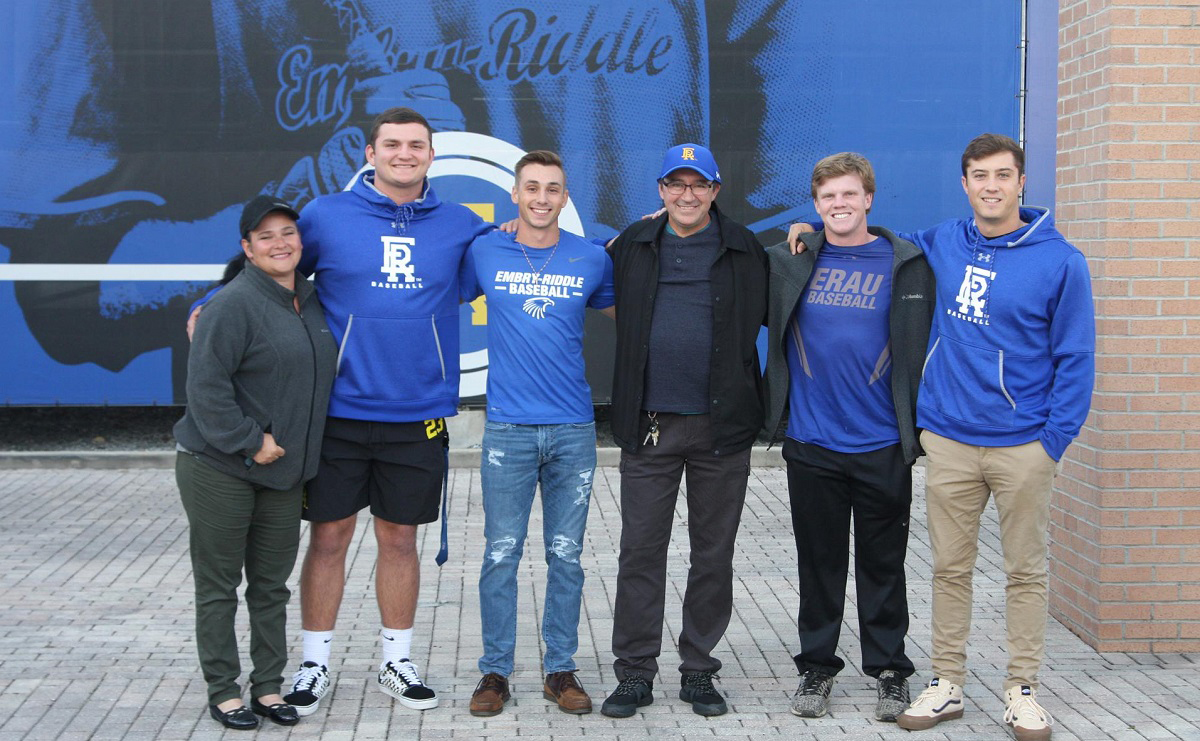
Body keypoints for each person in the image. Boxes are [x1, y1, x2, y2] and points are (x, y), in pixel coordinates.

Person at [789, 134, 1095, 741]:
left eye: (1002, 175)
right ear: (964, 184)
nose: (990, 185)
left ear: (1021, 183)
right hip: (950, 441)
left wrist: (1052, 441)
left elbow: (1076, 356)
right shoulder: (939, 244)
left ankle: (1022, 691)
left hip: (1023, 444)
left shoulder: (1061, 260)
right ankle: (947, 682)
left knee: (1024, 572)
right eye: (979, 175)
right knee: (949, 570)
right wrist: (811, 226)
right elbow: (865, 233)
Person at [277, 106, 492, 714]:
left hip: (417, 413)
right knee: (329, 538)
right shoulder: (326, 215)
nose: (404, 154)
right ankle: (313, 665)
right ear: (370, 153)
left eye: (416, 145)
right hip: (339, 413)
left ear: (431, 154)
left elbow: (523, 255)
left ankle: (396, 660)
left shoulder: (459, 225)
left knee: (399, 541)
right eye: (392, 144)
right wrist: (215, 299)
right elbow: (275, 267)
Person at [763, 153, 933, 722]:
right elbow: (720, 253)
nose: (839, 204)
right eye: (828, 196)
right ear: (815, 205)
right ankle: (816, 669)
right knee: (820, 564)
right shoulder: (790, 261)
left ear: (868, 199)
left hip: (883, 443)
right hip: (812, 444)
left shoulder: (906, 261)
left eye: (849, 194)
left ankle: (889, 671)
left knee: (884, 565)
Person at [600, 143, 768, 719]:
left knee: (712, 554)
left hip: (723, 430)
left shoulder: (745, 249)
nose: (688, 194)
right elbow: (573, 261)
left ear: (716, 191)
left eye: (699, 185)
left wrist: (807, 232)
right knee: (640, 553)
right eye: (677, 184)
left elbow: (794, 286)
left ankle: (698, 669)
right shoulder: (631, 246)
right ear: (661, 190)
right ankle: (634, 673)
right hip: (650, 425)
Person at [457, 150, 616, 717]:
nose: (542, 198)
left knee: (566, 556)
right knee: (501, 555)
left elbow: (638, 309)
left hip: (573, 430)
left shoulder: (591, 258)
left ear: (565, 197)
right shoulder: (485, 248)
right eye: (532, 188)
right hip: (508, 431)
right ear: (515, 195)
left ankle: (560, 670)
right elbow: (423, 287)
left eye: (553, 189)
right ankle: (495, 672)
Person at [174, 195, 337, 730]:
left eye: (287, 232)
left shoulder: (309, 302)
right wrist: (251, 441)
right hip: (222, 467)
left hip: (284, 473)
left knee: (271, 586)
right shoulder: (231, 305)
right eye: (265, 236)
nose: (279, 243)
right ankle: (224, 691)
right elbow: (206, 390)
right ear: (246, 248)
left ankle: (267, 687)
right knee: (219, 586)